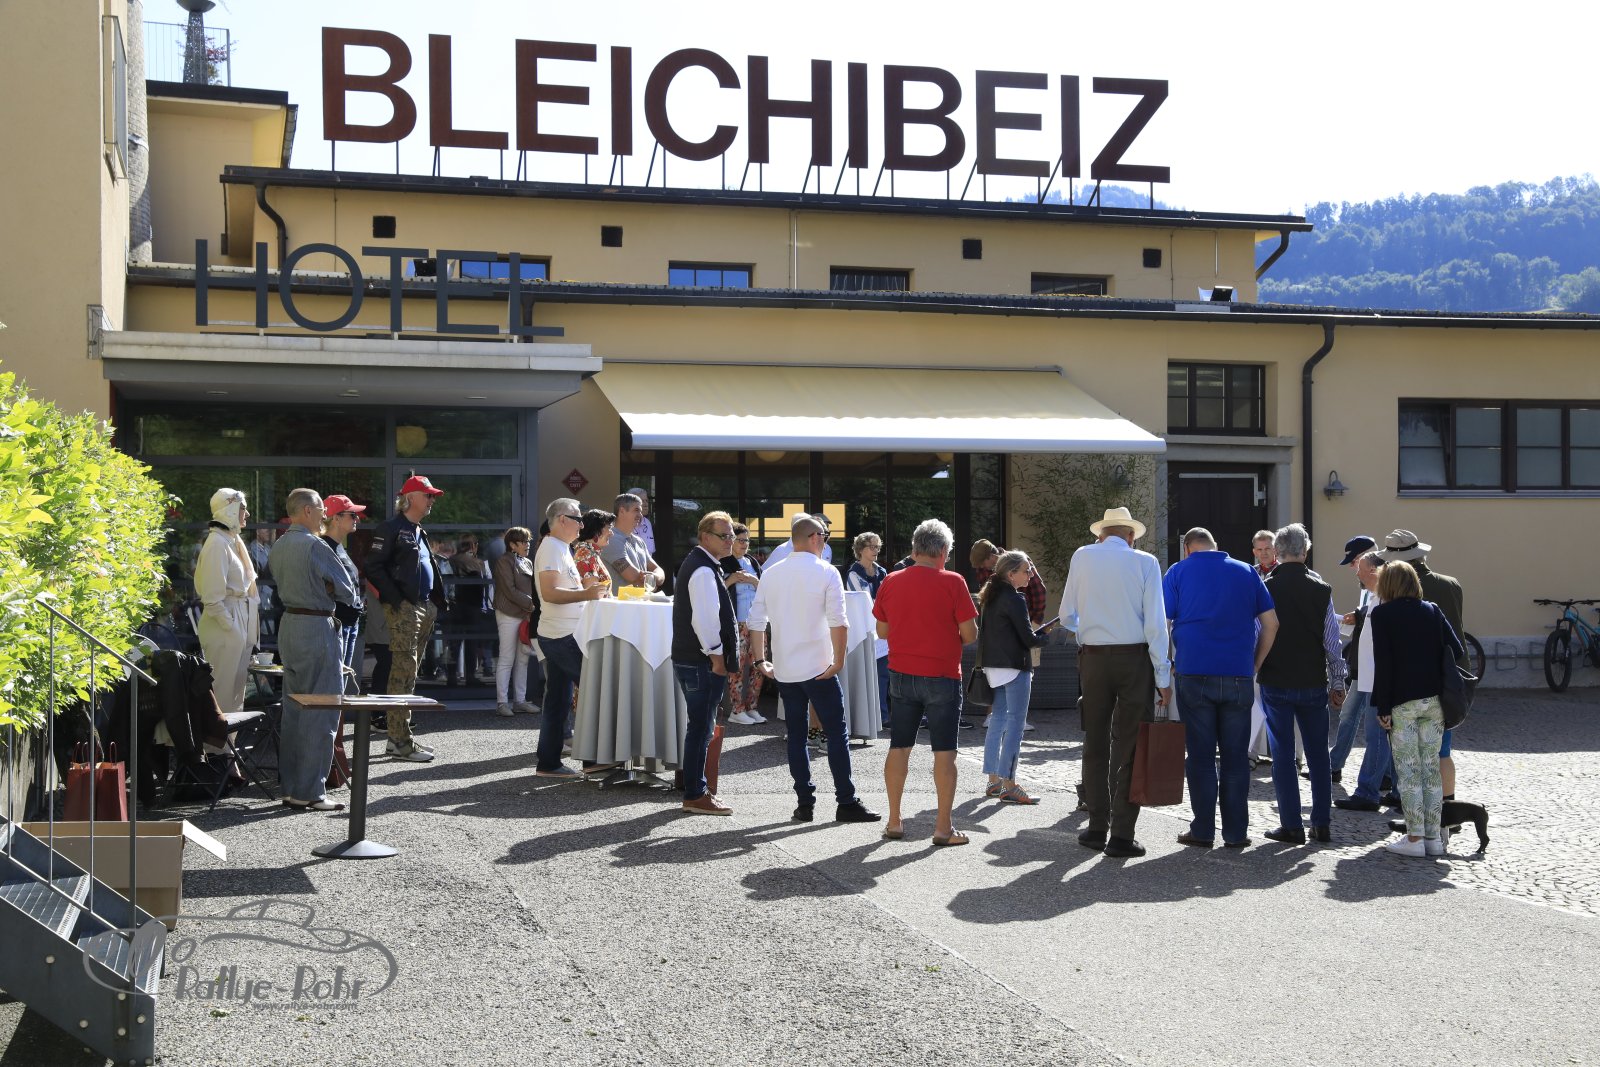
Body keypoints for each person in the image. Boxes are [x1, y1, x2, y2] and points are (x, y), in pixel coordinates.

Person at [748, 515, 880, 824]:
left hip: (786, 667)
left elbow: (756, 620)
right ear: (815, 538)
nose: (825, 541)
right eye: (824, 536)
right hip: (819, 667)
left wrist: (760, 660)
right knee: (836, 733)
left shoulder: (771, 573)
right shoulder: (826, 571)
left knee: (796, 735)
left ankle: (804, 803)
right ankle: (846, 801)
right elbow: (838, 621)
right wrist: (838, 660)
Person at [1058, 506, 1171, 859]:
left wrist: (1090, 630)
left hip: (1093, 659)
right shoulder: (1145, 562)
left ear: (1101, 535)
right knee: (1131, 743)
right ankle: (1122, 834)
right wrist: (1163, 675)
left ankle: (1096, 827)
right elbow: (1155, 625)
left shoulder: (1082, 556)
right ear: (1131, 536)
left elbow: (1066, 616)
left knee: (1095, 742)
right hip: (1134, 659)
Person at [1163, 527, 1278, 849]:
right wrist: (1255, 663)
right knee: (1235, 757)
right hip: (1238, 674)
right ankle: (1236, 833)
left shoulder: (1178, 572)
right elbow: (1271, 624)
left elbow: (1163, 622)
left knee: (1200, 756)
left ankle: (1202, 830)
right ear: (1216, 546)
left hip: (1193, 672)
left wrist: (1166, 664)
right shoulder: (1246, 572)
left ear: (1188, 549)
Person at [873, 518, 978, 846]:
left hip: (901, 673)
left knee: (899, 746)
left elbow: (882, 631)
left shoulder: (891, 580)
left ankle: (894, 820)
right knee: (944, 752)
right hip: (942, 676)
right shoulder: (954, 581)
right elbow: (970, 635)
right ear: (943, 551)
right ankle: (943, 828)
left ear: (915, 548)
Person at [268, 488, 358, 811]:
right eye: (321, 509)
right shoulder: (315, 545)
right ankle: (311, 791)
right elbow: (347, 590)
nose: (324, 515)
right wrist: (329, 588)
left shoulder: (279, 545)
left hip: (290, 626)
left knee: (294, 710)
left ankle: (292, 788)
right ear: (307, 511)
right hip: (317, 626)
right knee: (322, 710)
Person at [1257, 523, 1347, 844]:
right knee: (1318, 754)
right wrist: (1338, 681)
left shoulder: (1266, 587)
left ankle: (1291, 825)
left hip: (1276, 678)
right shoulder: (1321, 589)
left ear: (1277, 552)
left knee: (1282, 755)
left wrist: (1253, 668)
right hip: (1312, 680)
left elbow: (1258, 633)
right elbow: (1332, 641)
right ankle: (1321, 823)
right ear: (1305, 552)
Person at [1370, 560, 1464, 857]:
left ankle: (1414, 839)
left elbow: (1383, 663)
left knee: (1409, 772)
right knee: (1431, 770)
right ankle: (1434, 839)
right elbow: (1457, 649)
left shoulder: (1382, 614)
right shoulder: (1432, 610)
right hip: (1434, 701)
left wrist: (1382, 706)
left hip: (1402, 703)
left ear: (1387, 585)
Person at [361, 474, 449, 762]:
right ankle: (399, 741)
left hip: (423, 607)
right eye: (428, 495)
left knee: (409, 673)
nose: (432, 500)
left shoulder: (417, 529)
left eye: (433, 496)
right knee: (402, 673)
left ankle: (400, 738)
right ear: (410, 498)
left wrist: (433, 603)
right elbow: (373, 567)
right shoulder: (391, 528)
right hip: (405, 609)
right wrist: (397, 600)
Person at [1377, 529, 1466, 801]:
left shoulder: (1394, 598)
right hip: (1445, 681)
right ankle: (1445, 807)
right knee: (1441, 753)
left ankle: (1414, 813)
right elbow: (1456, 640)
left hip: (1406, 690)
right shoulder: (1450, 584)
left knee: (1410, 759)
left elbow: (1386, 660)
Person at [533, 498, 607, 779]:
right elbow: (550, 593)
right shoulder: (553, 547)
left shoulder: (559, 547)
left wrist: (585, 590)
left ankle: (549, 763)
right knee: (594, 691)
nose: (582, 525)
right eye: (578, 519)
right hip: (561, 636)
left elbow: (559, 589)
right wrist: (586, 593)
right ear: (562, 519)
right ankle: (592, 761)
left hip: (559, 634)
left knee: (558, 701)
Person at [977, 551, 1056, 806]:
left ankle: (993, 780)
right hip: (1014, 667)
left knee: (998, 720)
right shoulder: (1014, 598)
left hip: (994, 667)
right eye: (1026, 570)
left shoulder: (990, 595)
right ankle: (1009, 784)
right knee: (1016, 724)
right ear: (1011, 574)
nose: (1030, 575)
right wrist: (1046, 635)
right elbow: (1028, 639)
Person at [673, 511, 739, 815]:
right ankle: (696, 794)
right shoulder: (702, 569)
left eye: (731, 535)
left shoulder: (704, 565)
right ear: (705, 537)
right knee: (701, 728)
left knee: (700, 727)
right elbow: (705, 621)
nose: (730, 540)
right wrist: (717, 658)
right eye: (723, 536)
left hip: (696, 659)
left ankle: (695, 790)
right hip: (701, 661)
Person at [193, 488, 260, 715]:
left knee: (235, 693)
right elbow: (212, 599)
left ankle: (229, 737)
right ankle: (217, 738)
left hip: (237, 618)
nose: (247, 514)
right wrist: (231, 629)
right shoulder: (217, 544)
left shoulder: (230, 540)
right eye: (243, 508)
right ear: (229, 509)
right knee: (222, 692)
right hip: (225, 624)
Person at [1335, 549, 1391, 812]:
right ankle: (1391, 789)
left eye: (1359, 568)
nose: (1356, 572)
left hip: (1377, 679)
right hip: (1368, 677)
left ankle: (1368, 792)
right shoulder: (1375, 598)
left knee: (1376, 736)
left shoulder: (1385, 600)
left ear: (1372, 571)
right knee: (1378, 735)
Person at [1326, 536, 1377, 780]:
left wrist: (1359, 616)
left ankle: (1380, 777)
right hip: (1361, 663)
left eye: (1354, 561)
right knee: (1348, 714)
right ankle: (1334, 765)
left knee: (1375, 726)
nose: (1352, 568)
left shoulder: (1382, 581)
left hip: (1375, 665)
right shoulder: (1365, 586)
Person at [491, 525, 538, 718]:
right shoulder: (504, 561)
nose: (528, 544)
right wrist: (532, 606)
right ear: (512, 544)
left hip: (525, 614)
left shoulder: (527, 561)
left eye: (528, 541)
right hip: (508, 614)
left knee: (523, 659)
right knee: (506, 658)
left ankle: (520, 701)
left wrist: (531, 608)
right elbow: (509, 590)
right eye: (524, 541)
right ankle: (502, 703)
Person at [722, 522, 767, 726]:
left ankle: (752, 706)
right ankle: (737, 709)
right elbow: (715, 592)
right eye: (740, 540)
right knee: (737, 666)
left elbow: (765, 587)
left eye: (747, 540)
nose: (744, 544)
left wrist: (754, 581)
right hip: (737, 621)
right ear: (731, 541)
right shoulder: (723, 562)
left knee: (759, 664)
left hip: (756, 621)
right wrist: (731, 580)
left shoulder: (752, 562)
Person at [845, 531, 890, 728]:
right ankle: (872, 717)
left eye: (878, 546)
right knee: (868, 674)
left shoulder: (882, 572)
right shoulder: (853, 573)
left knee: (884, 673)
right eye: (872, 547)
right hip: (863, 630)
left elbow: (887, 598)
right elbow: (863, 602)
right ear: (861, 549)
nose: (876, 550)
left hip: (883, 628)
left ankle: (884, 715)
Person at [601, 492, 666, 591]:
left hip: (639, 600)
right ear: (622, 511)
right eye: (636, 510)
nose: (640, 515)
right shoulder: (610, 539)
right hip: (620, 601)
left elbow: (659, 571)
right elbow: (633, 577)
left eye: (640, 511)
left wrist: (654, 578)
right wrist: (653, 580)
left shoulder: (639, 541)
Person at [571, 509, 617, 595]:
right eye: (609, 528)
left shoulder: (589, 552)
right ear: (597, 531)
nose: (612, 533)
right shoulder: (587, 554)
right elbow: (592, 595)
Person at [625, 486, 656, 555]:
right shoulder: (623, 523)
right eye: (642, 501)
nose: (646, 504)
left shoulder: (647, 523)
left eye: (646, 501)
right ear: (630, 504)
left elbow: (650, 551)